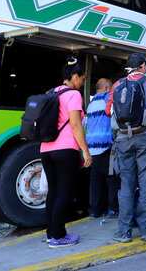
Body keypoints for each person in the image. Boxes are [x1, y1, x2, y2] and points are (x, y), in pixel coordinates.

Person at [105, 53, 146, 243]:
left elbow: (108, 111)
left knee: (126, 185)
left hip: (123, 138)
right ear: (143, 66)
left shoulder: (117, 85)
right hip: (144, 137)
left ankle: (124, 231)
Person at [41, 57, 92, 248]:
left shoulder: (50, 92)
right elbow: (76, 125)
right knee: (65, 192)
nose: (82, 83)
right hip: (65, 149)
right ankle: (59, 236)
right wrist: (85, 152)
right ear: (75, 76)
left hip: (46, 149)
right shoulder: (73, 95)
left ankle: (50, 233)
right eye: (82, 79)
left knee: (53, 192)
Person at [86, 78, 120, 219]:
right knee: (112, 178)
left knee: (96, 178)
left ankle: (94, 210)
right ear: (107, 88)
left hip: (92, 147)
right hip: (105, 144)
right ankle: (113, 208)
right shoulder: (109, 98)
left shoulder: (91, 104)